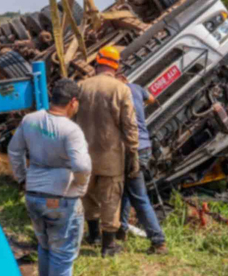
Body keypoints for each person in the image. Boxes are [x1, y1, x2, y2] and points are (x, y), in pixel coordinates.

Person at [8, 79, 91, 276]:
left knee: (45, 247)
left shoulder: (30, 120)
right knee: (62, 256)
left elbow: (14, 150)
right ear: (73, 102)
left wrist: (22, 178)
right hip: (62, 199)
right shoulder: (71, 130)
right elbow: (81, 165)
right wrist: (80, 185)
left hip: (34, 196)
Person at [76, 46, 139, 257]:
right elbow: (129, 125)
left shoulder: (81, 86)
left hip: (84, 156)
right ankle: (108, 246)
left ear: (97, 62)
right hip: (111, 157)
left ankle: (92, 235)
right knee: (111, 199)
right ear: (116, 65)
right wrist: (133, 152)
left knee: (89, 196)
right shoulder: (121, 89)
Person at [115, 74, 168, 255]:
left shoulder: (118, 92)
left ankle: (159, 241)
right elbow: (153, 99)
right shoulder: (137, 88)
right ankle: (121, 230)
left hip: (132, 150)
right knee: (127, 190)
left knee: (138, 196)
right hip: (145, 148)